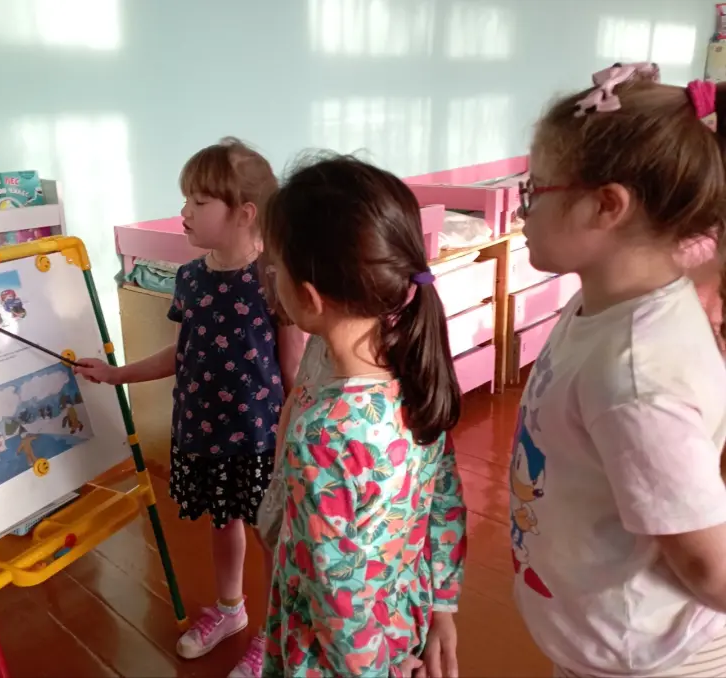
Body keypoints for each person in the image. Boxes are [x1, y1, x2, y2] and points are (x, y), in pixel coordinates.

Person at [509, 63, 726, 677]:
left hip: (651, 659)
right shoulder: (606, 304)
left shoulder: (635, 378)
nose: (523, 211)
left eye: (535, 190)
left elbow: (710, 566)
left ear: (606, 206)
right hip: (604, 640)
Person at [76, 138, 304, 677]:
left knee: (269, 535)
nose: (184, 212)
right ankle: (230, 609)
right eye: (186, 200)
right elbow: (183, 352)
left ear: (244, 213)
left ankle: (274, 632)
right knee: (223, 522)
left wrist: (294, 438)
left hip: (260, 439)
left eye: (199, 202)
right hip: (203, 432)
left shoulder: (275, 279)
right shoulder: (191, 278)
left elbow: (294, 371)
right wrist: (116, 373)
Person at [260, 155, 467, 677]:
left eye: (275, 266)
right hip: (402, 621)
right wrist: (443, 604)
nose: (270, 276)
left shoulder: (323, 433)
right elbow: (444, 500)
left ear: (308, 296)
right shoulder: (416, 375)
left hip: (338, 660)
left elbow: (336, 598)